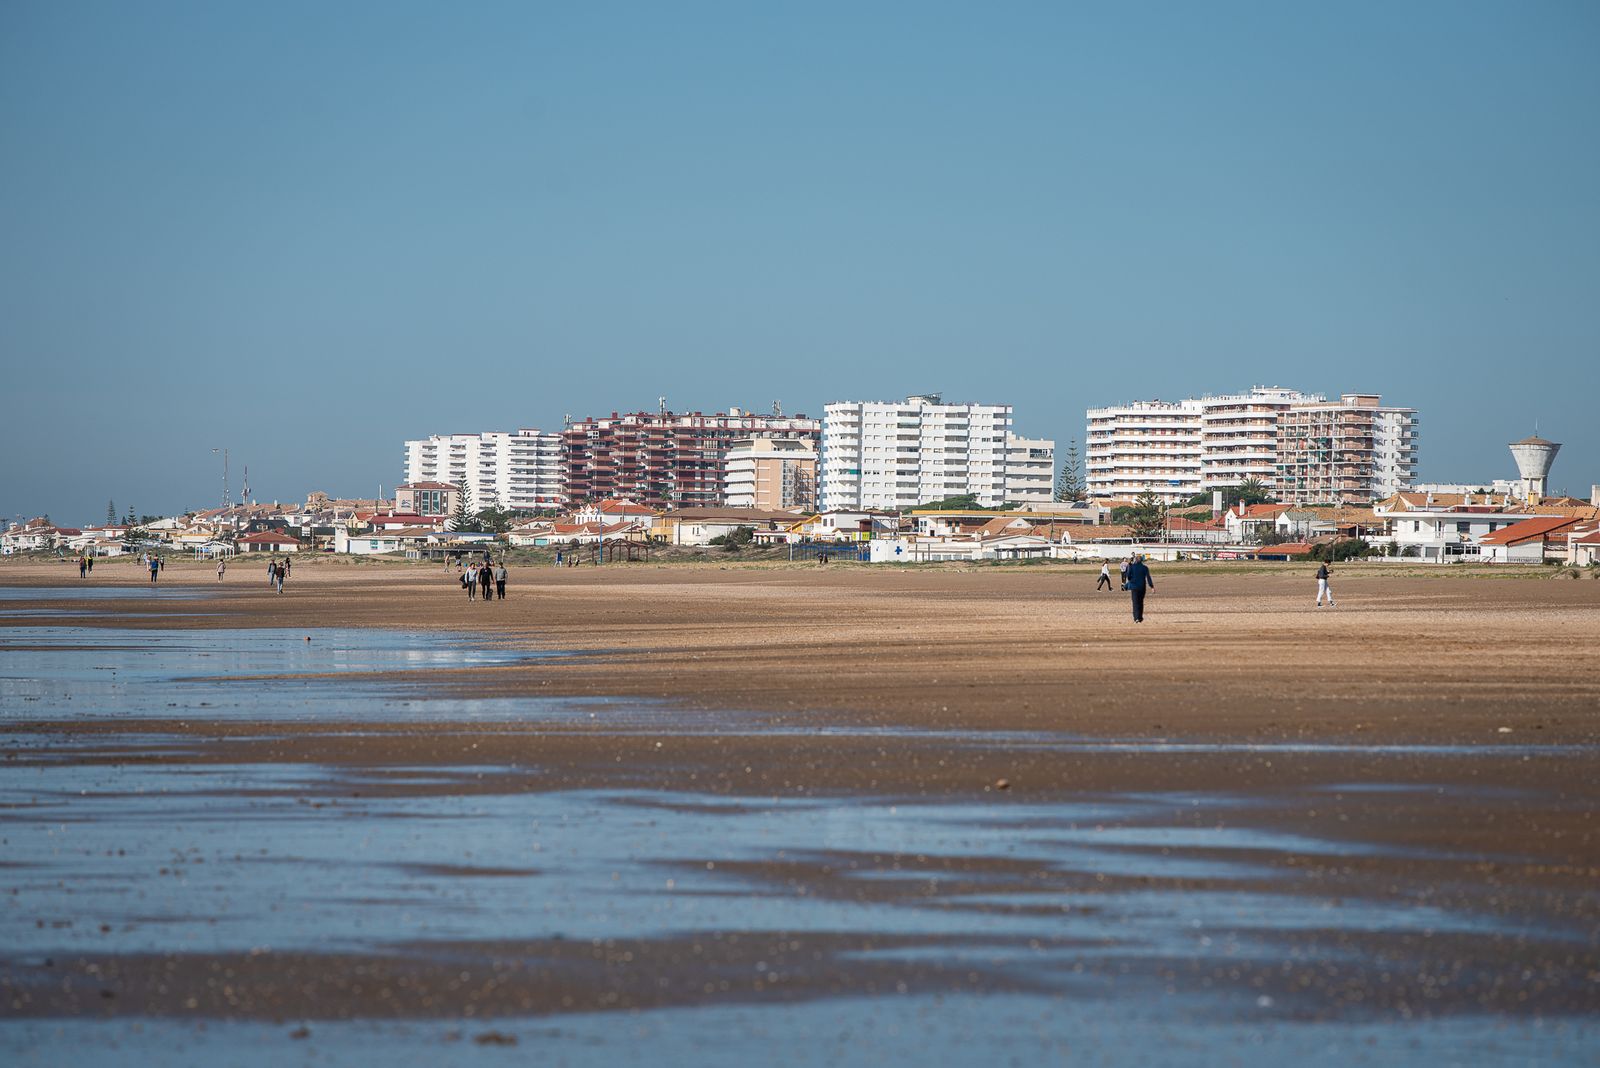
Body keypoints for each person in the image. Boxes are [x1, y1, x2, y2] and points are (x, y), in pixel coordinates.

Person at [1125, 553, 1154, 623]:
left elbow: (1128, 576)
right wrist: (1151, 586)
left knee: (1135, 603)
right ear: (1141, 561)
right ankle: (1140, 617)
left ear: (1136, 560)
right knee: (1140, 602)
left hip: (1134, 587)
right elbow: (1148, 578)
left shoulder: (1132, 567)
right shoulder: (1145, 568)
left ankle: (1136, 618)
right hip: (1142, 587)